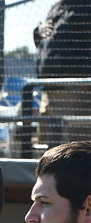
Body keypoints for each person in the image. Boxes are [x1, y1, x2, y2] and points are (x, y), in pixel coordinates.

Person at [34, 0, 91, 142]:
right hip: (48, 88)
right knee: (47, 149)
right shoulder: (57, 7)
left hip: (75, 88)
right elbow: (44, 38)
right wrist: (38, 30)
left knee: (73, 148)